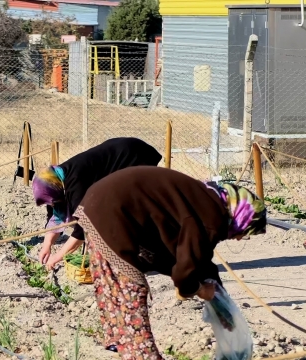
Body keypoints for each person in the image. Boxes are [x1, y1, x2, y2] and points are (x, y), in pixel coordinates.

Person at [72, 166, 267, 359]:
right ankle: (142, 355)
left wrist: (220, 304)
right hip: (112, 212)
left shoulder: (209, 202)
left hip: (99, 203)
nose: (240, 238)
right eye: (246, 231)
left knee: (112, 285)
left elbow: (199, 258)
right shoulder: (212, 219)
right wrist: (198, 289)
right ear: (242, 215)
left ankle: (119, 344)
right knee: (130, 289)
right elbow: (185, 270)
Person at [32, 137, 163, 270]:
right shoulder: (55, 181)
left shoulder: (75, 185)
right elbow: (55, 217)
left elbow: (83, 228)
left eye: (53, 202)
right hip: (119, 152)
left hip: (133, 156)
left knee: (125, 210)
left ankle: (150, 255)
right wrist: (46, 245)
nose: (53, 205)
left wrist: (57, 257)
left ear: (58, 191)